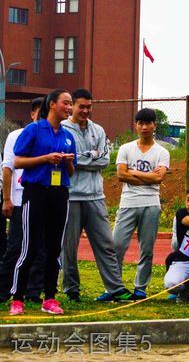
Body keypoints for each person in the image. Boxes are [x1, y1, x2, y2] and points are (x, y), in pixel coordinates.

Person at [61, 89, 134, 303]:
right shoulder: (63, 130)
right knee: (69, 247)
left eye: (88, 107)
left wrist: (77, 160)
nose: (85, 110)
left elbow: (104, 161)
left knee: (106, 244)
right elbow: (68, 160)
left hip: (95, 197)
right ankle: (71, 289)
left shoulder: (98, 130)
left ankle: (115, 288)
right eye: (81, 106)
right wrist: (85, 158)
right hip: (71, 196)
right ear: (72, 106)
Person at [9, 89, 77, 316]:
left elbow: (72, 171)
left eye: (71, 104)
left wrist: (67, 162)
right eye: (66, 103)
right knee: (28, 247)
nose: (69, 107)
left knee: (53, 249)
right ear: (52, 104)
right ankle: (17, 299)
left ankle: (49, 298)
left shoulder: (68, 136)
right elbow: (18, 160)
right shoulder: (33, 130)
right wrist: (46, 159)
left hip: (59, 194)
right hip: (35, 192)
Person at [113, 107, 169, 299]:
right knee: (117, 246)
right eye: (140, 123)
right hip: (128, 202)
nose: (144, 127)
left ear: (154, 125)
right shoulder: (125, 148)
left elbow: (159, 178)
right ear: (136, 125)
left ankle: (140, 288)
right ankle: (113, 287)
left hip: (151, 204)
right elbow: (121, 174)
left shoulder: (162, 151)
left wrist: (134, 173)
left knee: (146, 249)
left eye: (148, 123)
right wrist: (148, 176)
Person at [0, 98, 45, 303]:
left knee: (41, 248)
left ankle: (33, 291)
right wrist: (7, 199)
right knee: (15, 246)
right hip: (19, 200)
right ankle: (4, 289)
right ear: (32, 114)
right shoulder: (16, 136)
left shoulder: (54, 136)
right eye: (39, 113)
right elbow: (8, 168)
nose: (42, 118)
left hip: (44, 201)